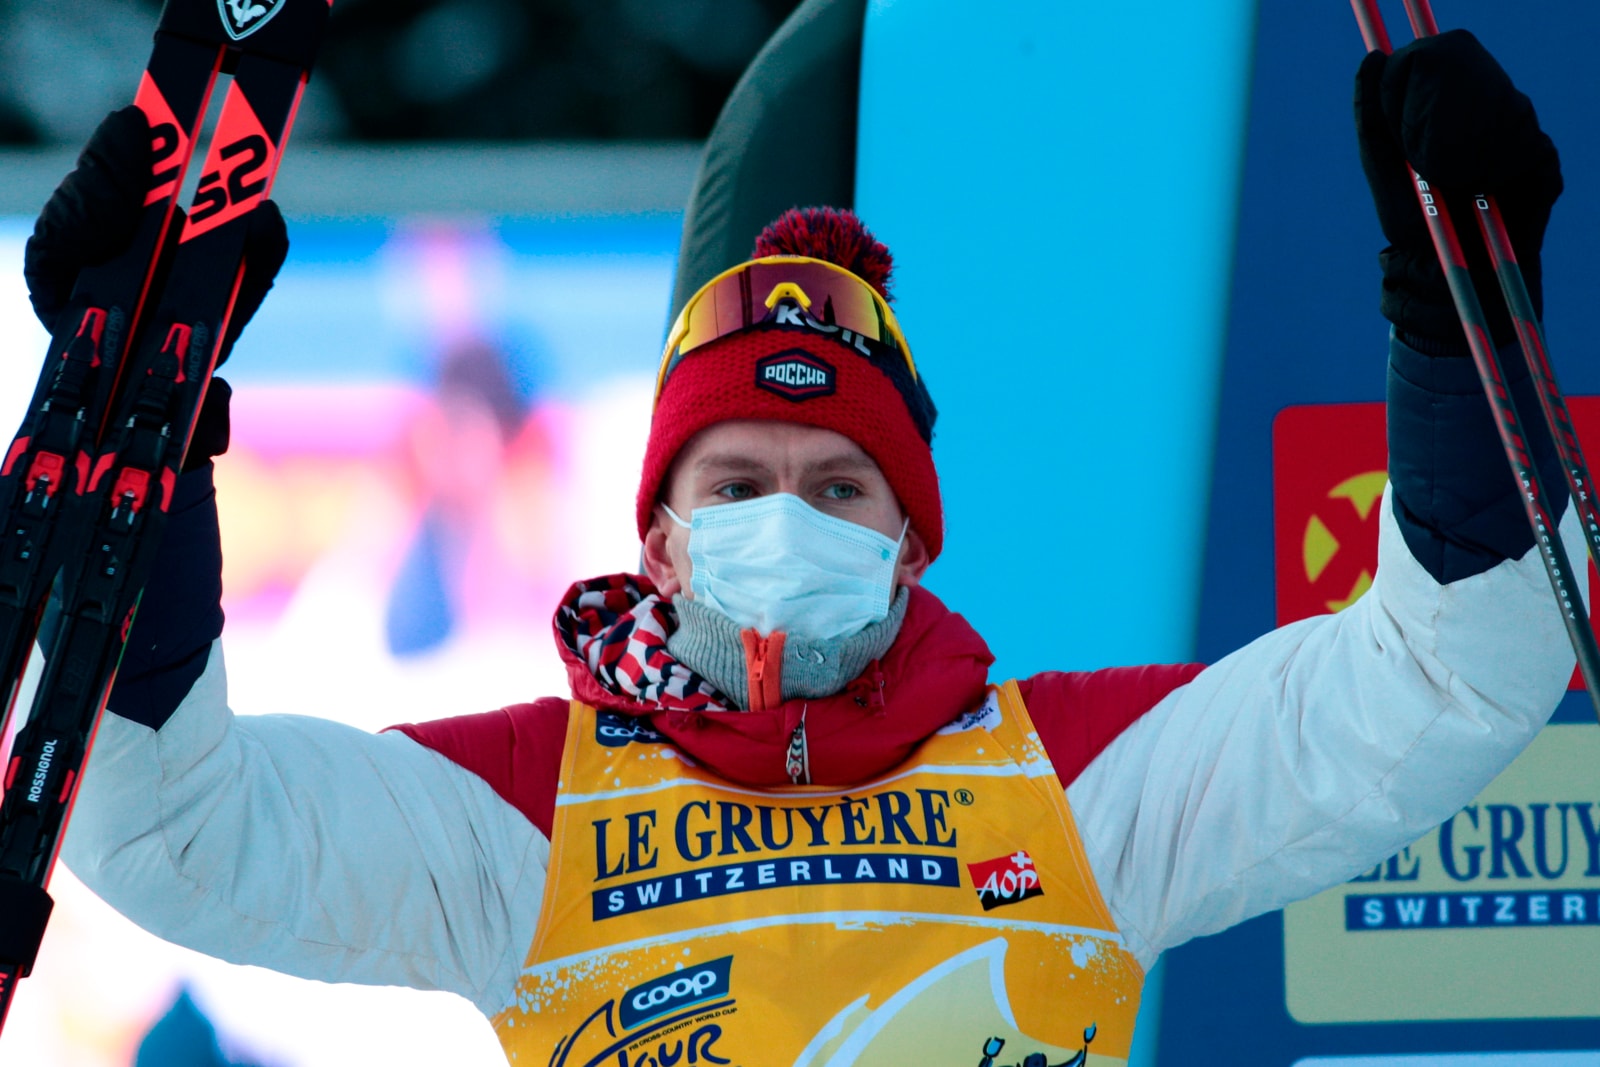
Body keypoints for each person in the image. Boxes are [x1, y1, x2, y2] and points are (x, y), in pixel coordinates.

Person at [40, 30, 1575, 1065]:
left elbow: (1444, 680)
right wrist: (147, 444)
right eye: (738, 484)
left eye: (840, 490)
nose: (785, 518)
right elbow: (183, 836)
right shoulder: (515, 812)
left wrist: (1456, 327)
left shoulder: (1077, 784)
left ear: (914, 539)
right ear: (656, 535)